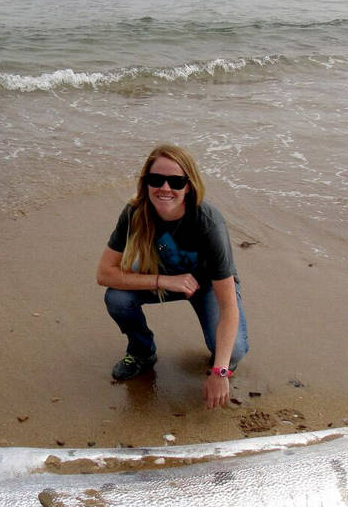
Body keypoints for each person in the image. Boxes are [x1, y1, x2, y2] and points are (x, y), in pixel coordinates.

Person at [96, 144, 249, 409]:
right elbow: (104, 273)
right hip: (165, 281)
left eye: (176, 181)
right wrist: (163, 281)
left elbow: (228, 306)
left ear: (188, 186)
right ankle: (142, 352)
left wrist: (220, 372)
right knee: (117, 298)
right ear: (146, 183)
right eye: (156, 180)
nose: (165, 188)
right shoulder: (134, 213)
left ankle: (221, 359)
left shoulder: (208, 222)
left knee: (231, 352)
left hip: (208, 287)